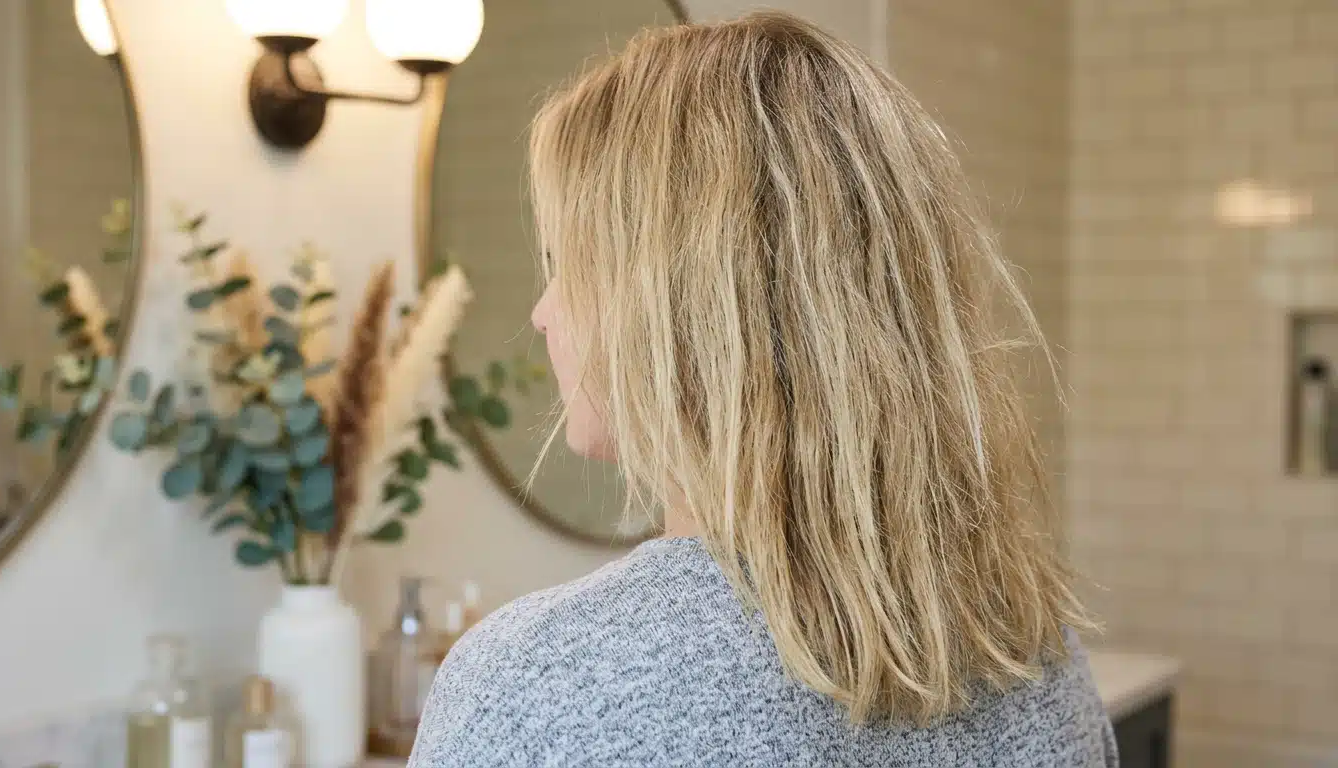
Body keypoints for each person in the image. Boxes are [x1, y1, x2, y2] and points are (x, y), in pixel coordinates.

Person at [408, 11, 1116, 768]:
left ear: (672, 310)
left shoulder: (533, 693)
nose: (543, 312)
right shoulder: (1038, 657)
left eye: (567, 265)